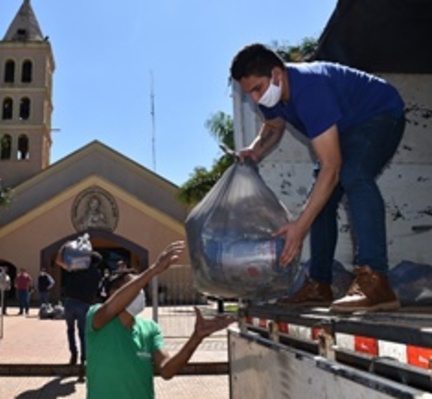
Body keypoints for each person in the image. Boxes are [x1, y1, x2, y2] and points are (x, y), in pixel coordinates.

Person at [229, 43, 405, 312]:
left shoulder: (310, 90)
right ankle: (319, 285)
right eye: (249, 93)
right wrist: (255, 149)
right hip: (347, 127)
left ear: (277, 75)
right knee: (321, 201)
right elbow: (274, 126)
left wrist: (299, 229)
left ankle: (375, 280)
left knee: (353, 174)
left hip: (380, 113)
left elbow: (331, 168)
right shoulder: (274, 97)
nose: (254, 99)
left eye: (257, 89)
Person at [85, 241, 234, 398]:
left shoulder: (149, 328)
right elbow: (110, 308)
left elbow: (167, 370)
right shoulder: (96, 319)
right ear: (113, 293)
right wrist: (153, 271)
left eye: (141, 287)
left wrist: (196, 338)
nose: (140, 292)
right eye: (134, 286)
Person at [55, 246, 102, 373]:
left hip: (70, 302)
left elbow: (59, 261)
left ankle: (73, 354)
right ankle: (84, 358)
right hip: (85, 304)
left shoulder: (77, 268)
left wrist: (63, 248)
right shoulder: (97, 274)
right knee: (83, 332)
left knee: (70, 330)